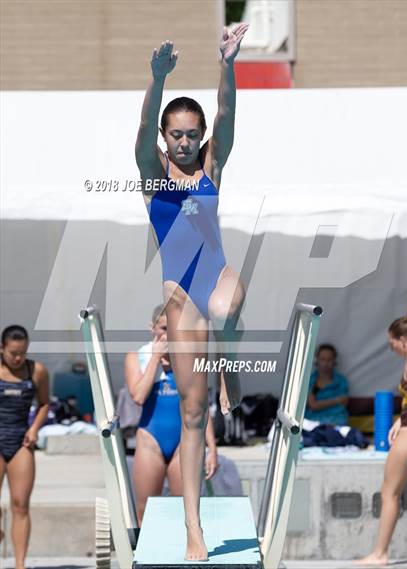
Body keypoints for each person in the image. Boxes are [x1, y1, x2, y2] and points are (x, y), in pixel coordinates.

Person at [135, 24, 249, 560]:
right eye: (175, 134)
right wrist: (157, 80)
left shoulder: (210, 166)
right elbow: (140, 132)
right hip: (180, 296)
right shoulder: (151, 172)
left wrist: (226, 63)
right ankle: (192, 528)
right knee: (193, 412)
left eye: (191, 134)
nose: (183, 142)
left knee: (228, 304)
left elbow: (226, 118)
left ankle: (228, 363)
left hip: (216, 279)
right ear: (166, 137)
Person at [125, 305, 218, 525]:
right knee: (144, 510)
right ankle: (145, 557)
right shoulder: (137, 356)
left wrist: (212, 449)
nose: (168, 336)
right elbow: (138, 396)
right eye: (164, 329)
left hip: (183, 441)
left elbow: (200, 408)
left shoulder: (190, 358)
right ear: (152, 328)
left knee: (184, 509)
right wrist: (155, 360)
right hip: (150, 439)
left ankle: (179, 557)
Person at [354, 286, 407, 566]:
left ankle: (380, 553)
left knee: (389, 491)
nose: (391, 347)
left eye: (392, 342)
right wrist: (398, 419)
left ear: (403, 340)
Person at [0, 325, 49, 569]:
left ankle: (20, 564)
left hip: (21, 441)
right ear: (2, 348)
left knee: (20, 504)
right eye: (12, 353)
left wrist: (34, 428)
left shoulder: (36, 371)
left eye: (22, 352)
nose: (18, 358)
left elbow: (44, 404)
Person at [305, 343, 349, 426]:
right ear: (316, 360)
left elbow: (344, 402)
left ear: (334, 361)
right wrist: (336, 401)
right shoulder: (310, 380)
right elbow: (313, 405)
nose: (325, 363)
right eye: (322, 359)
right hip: (313, 421)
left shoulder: (341, 381)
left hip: (337, 420)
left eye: (329, 360)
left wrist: (319, 404)